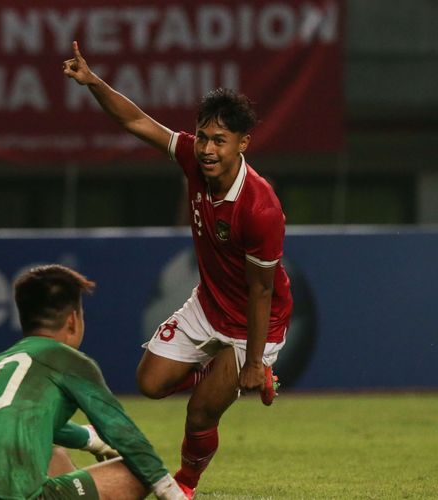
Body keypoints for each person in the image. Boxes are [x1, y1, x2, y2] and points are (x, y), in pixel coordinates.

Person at [62, 42, 293, 498]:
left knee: (202, 412)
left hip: (254, 321)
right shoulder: (192, 157)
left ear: (243, 143)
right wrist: (93, 83)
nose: (206, 149)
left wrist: (251, 362)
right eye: (203, 137)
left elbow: (261, 289)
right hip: (208, 305)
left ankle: (185, 484)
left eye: (219, 141)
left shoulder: (260, 208)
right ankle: (219, 373)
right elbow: (136, 121)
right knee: (149, 383)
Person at [0, 264, 186, 500]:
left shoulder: (2, 360)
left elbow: (29, 421)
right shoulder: (69, 361)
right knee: (137, 472)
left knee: (51, 449)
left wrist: (89, 440)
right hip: (12, 496)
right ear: (72, 320)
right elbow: (120, 430)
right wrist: (169, 489)